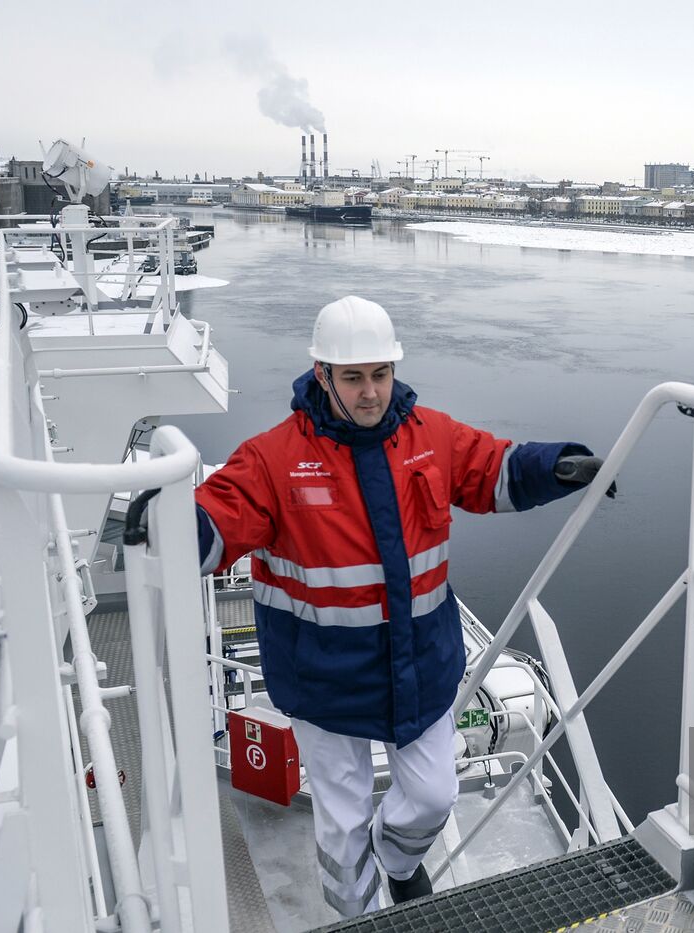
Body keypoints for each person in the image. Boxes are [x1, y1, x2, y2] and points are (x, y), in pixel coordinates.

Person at [194, 296, 610, 917]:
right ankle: (356, 920)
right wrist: (178, 526)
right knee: (342, 823)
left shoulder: (430, 437)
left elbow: (495, 470)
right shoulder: (272, 460)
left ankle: (398, 863)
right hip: (325, 681)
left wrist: (562, 468)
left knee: (434, 797)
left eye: (380, 375)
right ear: (321, 373)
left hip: (420, 668)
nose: (370, 394)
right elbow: (221, 515)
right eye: (353, 377)